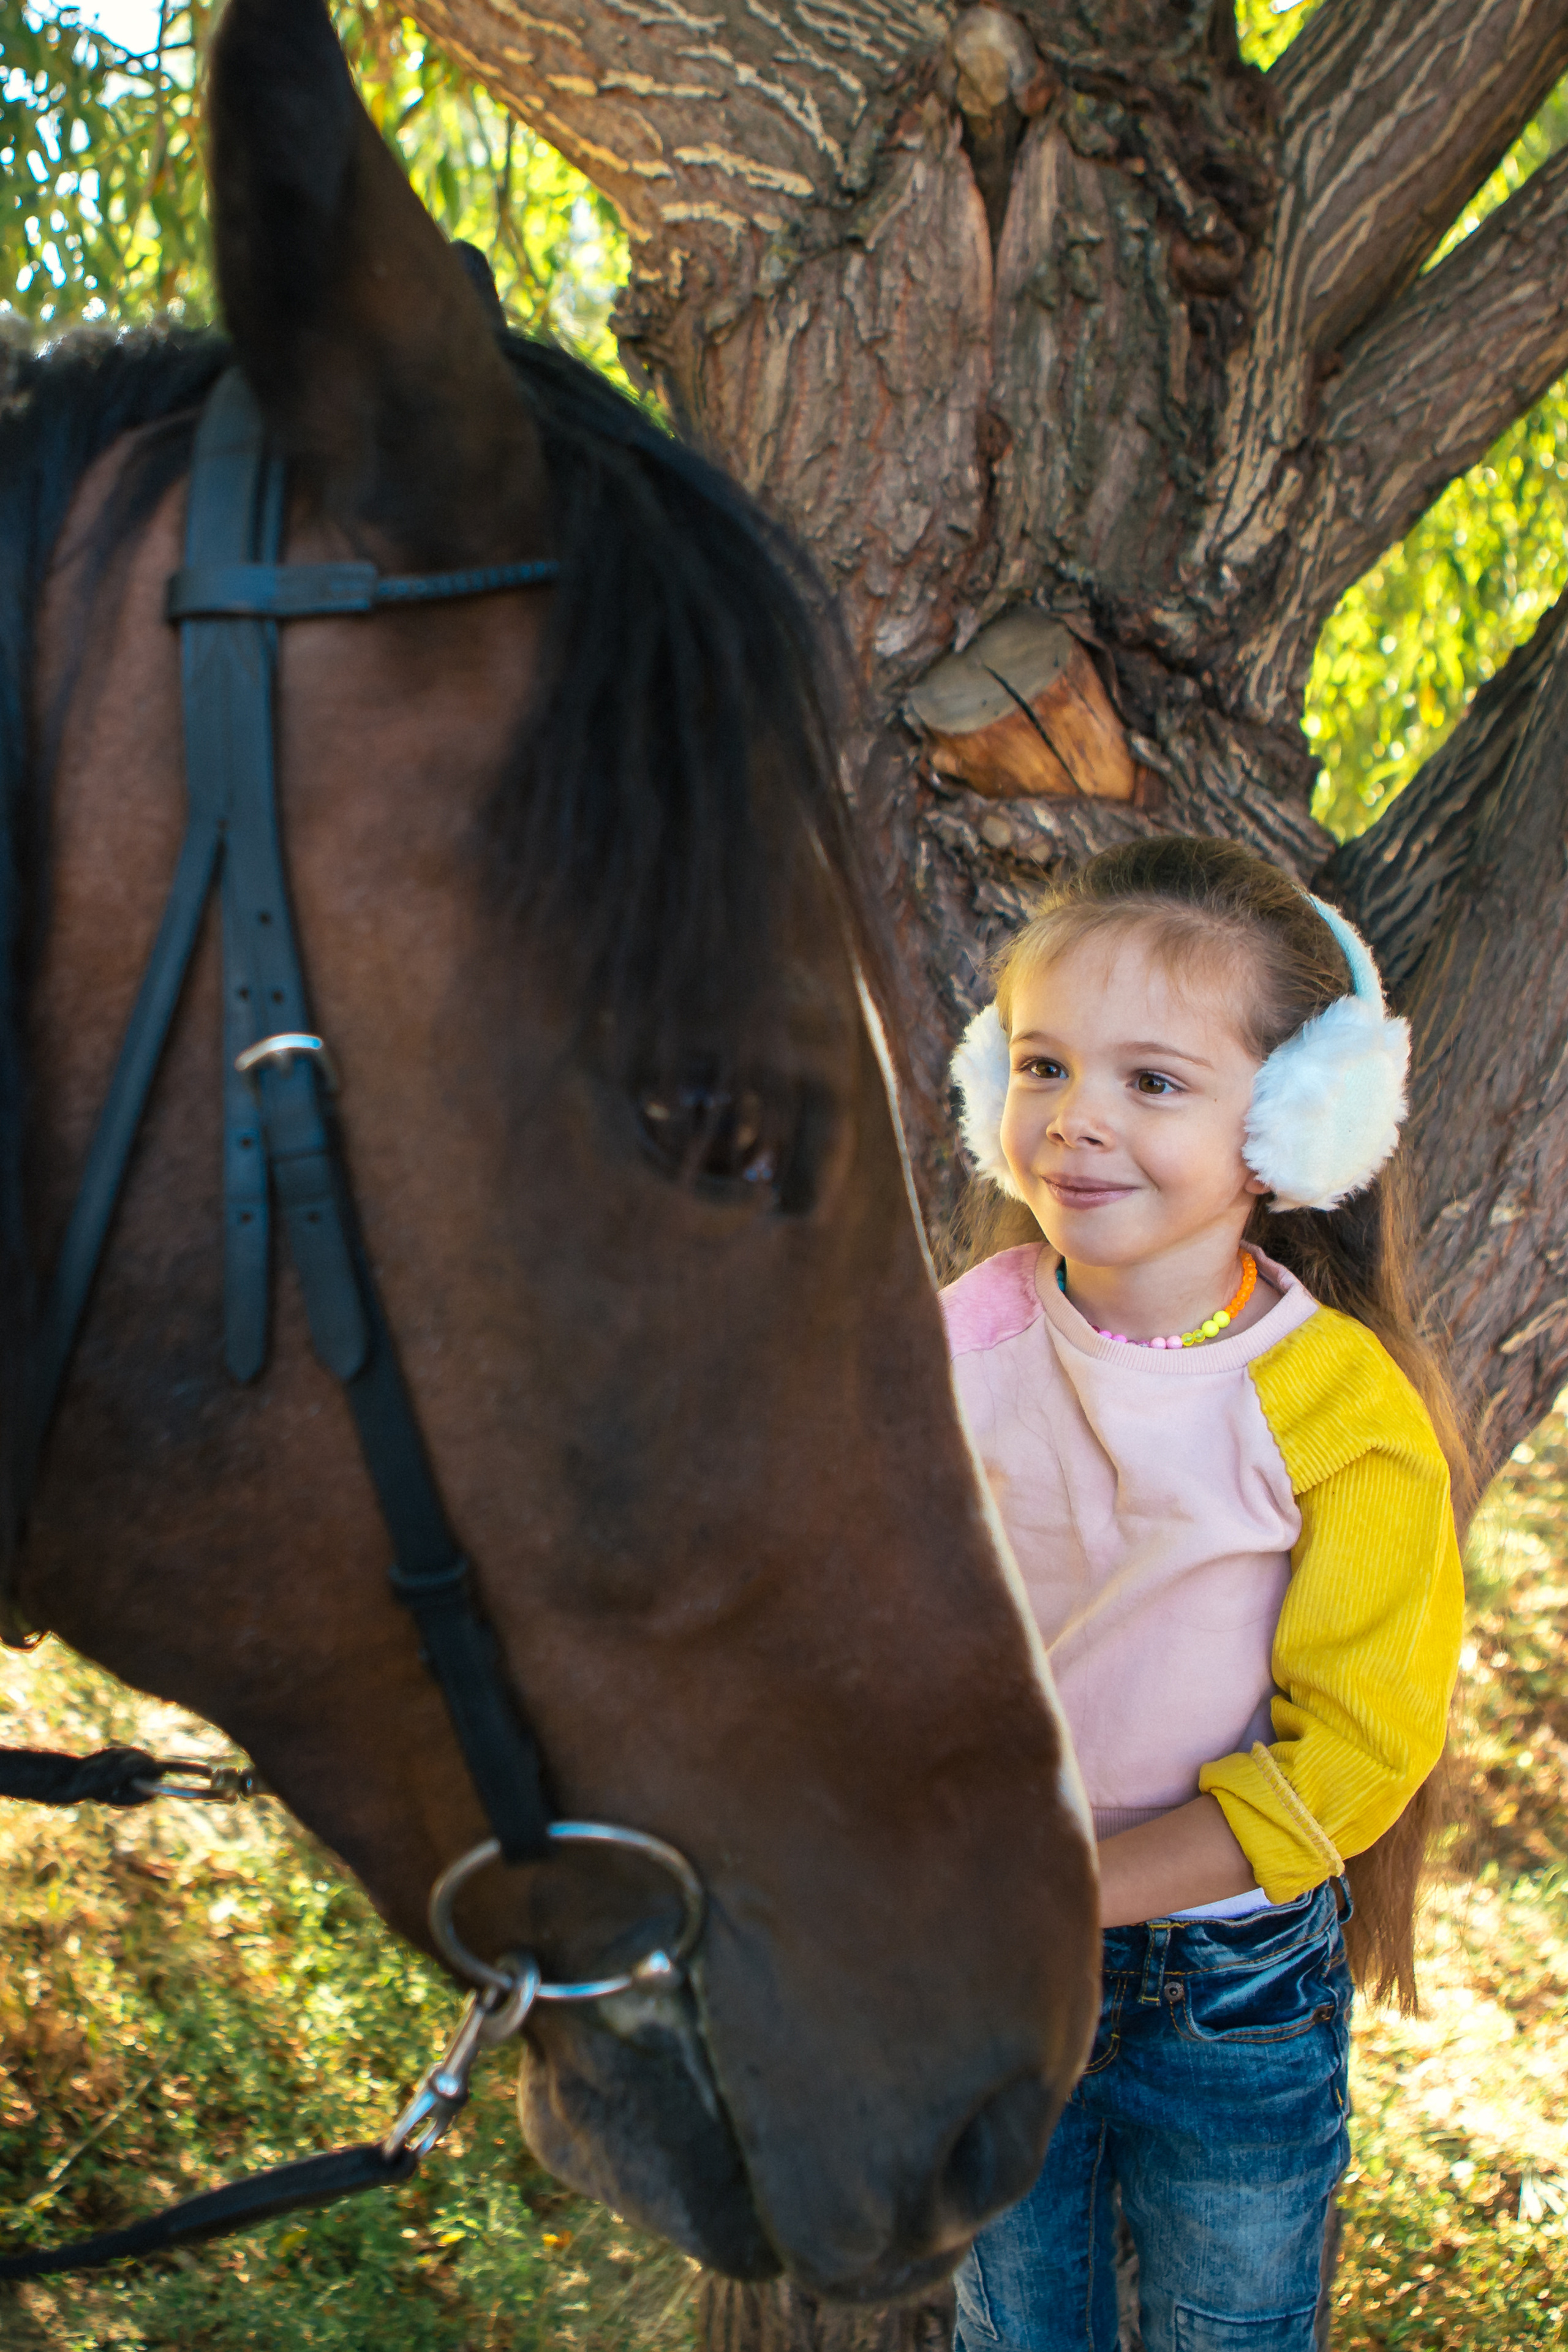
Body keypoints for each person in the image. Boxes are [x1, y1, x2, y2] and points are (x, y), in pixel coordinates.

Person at [942, 837, 1466, 2352]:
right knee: (1012, 2322)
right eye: (1041, 1065)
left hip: (1229, 1984)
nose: (1075, 1122)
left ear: (1291, 1132)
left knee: (1227, 2330)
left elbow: (1353, 1753)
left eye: (1153, 1083)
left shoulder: (1335, 1410)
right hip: (989, 1951)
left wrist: (1068, 1893)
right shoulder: (963, 1340)